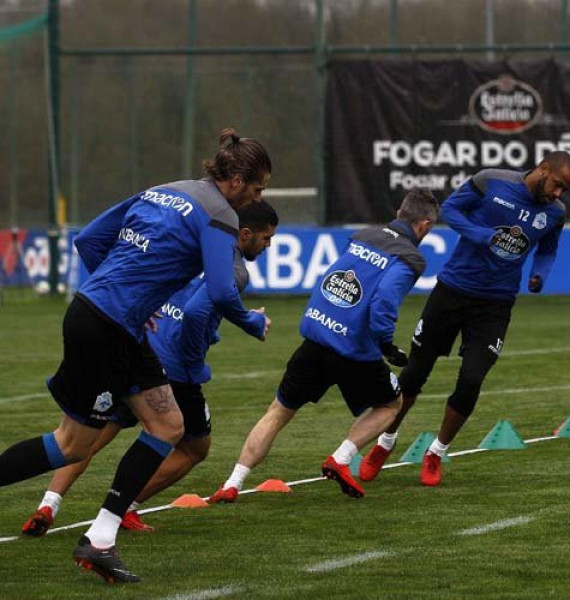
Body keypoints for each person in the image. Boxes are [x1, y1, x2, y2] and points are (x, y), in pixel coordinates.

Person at [0, 127, 272, 584]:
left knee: (169, 426)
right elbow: (223, 292)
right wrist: (252, 323)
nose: (259, 198)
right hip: (106, 327)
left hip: (109, 321)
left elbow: (88, 240)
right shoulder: (221, 216)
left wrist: (125, 295)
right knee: (72, 444)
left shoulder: (163, 190)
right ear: (239, 180)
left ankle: (100, 539)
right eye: (260, 188)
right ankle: (99, 538)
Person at [21, 201, 278, 537]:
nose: (268, 245)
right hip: (169, 368)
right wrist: (212, 346)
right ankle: (121, 509)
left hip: (136, 345)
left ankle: (48, 504)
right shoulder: (233, 267)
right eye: (266, 238)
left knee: (88, 436)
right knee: (193, 447)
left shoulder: (192, 241)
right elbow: (196, 313)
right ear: (244, 234)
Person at [358, 152, 570, 487]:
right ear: (543, 169)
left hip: (496, 305)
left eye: (565, 190)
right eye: (558, 185)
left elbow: (547, 249)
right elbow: (451, 211)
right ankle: (385, 441)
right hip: (452, 291)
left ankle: (436, 452)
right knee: (414, 373)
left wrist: (539, 274)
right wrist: (479, 234)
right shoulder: (491, 181)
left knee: (472, 379)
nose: (558, 194)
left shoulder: (555, 213)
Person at [210, 188, 439, 502]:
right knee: (391, 404)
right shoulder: (410, 258)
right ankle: (341, 459)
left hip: (316, 334)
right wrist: (385, 342)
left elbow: (336, 276)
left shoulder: (363, 235)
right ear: (424, 227)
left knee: (278, 411)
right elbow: (384, 300)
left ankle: (233, 482)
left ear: (400, 212)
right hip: (352, 348)